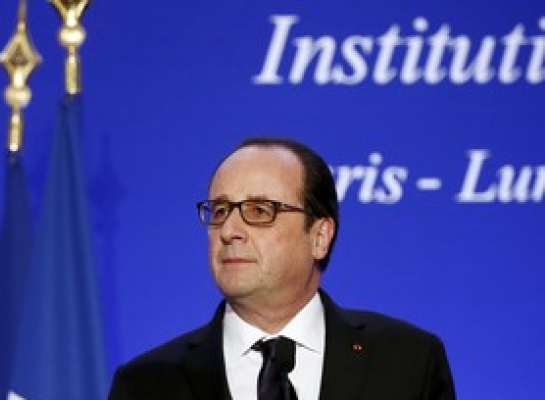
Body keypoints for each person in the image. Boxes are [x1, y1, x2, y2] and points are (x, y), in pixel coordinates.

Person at [107, 137, 455, 400]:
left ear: (319, 236)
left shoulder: (407, 361)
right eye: (220, 211)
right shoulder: (146, 384)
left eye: (260, 211)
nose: (229, 230)